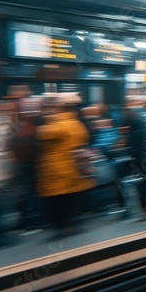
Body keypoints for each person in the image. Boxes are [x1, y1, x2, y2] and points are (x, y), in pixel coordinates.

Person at [36, 93, 95, 237]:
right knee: (69, 199)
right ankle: (69, 223)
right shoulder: (77, 124)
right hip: (73, 168)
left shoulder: (58, 125)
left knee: (59, 201)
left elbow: (42, 133)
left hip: (58, 171)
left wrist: (44, 118)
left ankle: (65, 224)